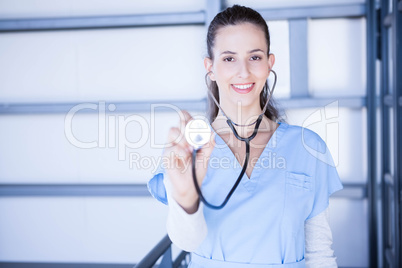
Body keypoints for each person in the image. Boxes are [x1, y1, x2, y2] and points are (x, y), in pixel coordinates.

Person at [148, 5, 343, 268]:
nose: (243, 72)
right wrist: (186, 199)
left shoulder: (308, 148)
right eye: (229, 58)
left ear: (269, 63)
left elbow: (319, 253)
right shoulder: (187, 150)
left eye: (254, 57)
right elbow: (186, 243)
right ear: (211, 68)